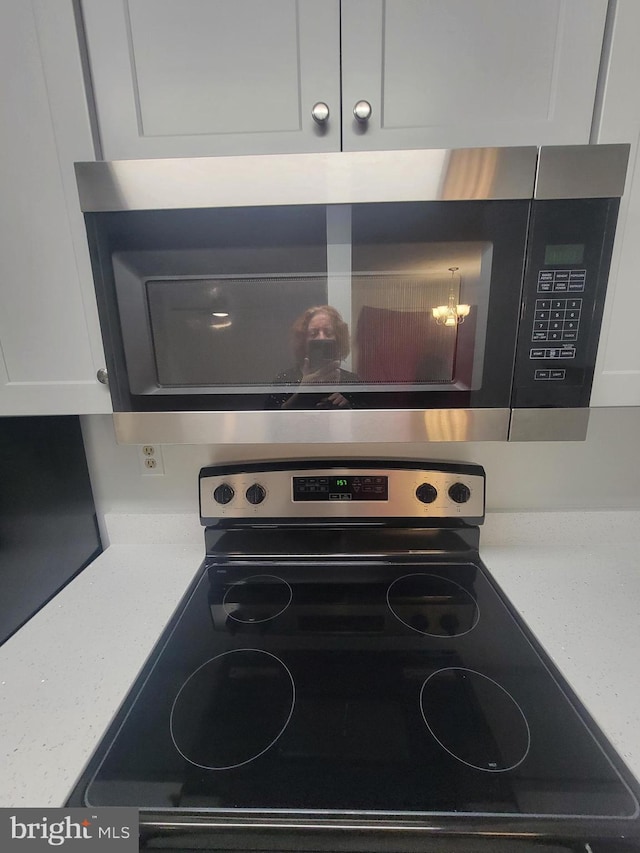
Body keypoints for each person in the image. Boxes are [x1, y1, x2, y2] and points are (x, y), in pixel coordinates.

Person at [266, 305, 359, 409]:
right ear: (303, 341)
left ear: (338, 339)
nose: (321, 338)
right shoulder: (284, 380)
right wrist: (302, 393)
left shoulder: (352, 382)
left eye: (328, 333)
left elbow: (367, 422)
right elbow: (273, 422)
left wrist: (346, 407)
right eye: (314, 333)